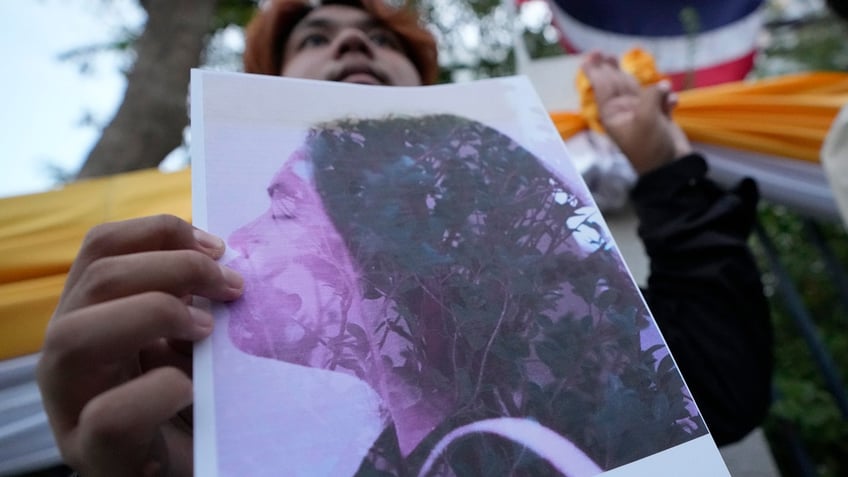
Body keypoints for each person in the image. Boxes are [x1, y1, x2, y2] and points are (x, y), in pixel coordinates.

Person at [35, 0, 772, 475]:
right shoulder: (183, 360)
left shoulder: (558, 366)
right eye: (315, 38)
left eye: (383, 38)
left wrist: (664, 164)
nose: (353, 39)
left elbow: (722, 393)